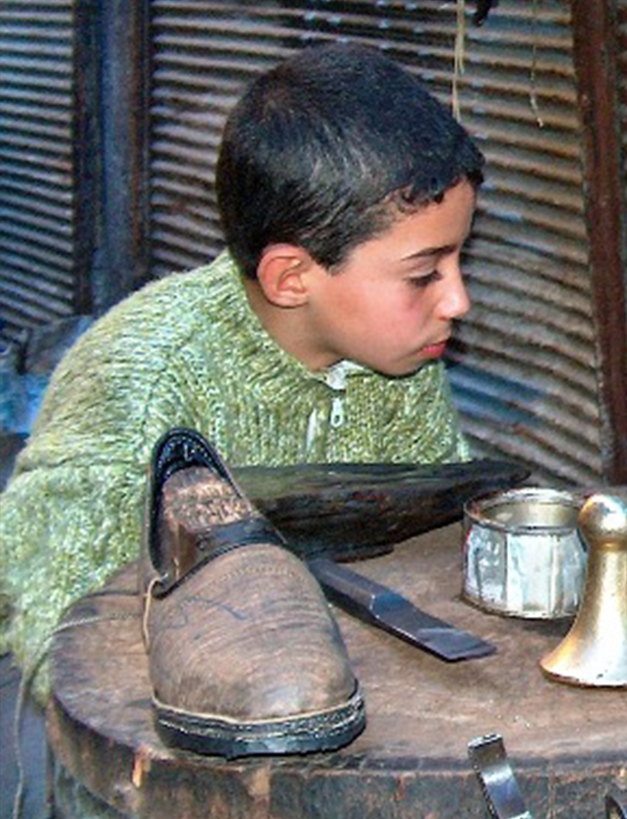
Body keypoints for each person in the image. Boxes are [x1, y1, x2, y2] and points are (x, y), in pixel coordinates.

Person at [0, 42, 484, 689]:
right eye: (425, 273)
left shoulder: (399, 363)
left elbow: (435, 552)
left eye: (458, 263)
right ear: (291, 277)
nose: (458, 300)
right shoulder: (141, 387)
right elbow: (67, 646)